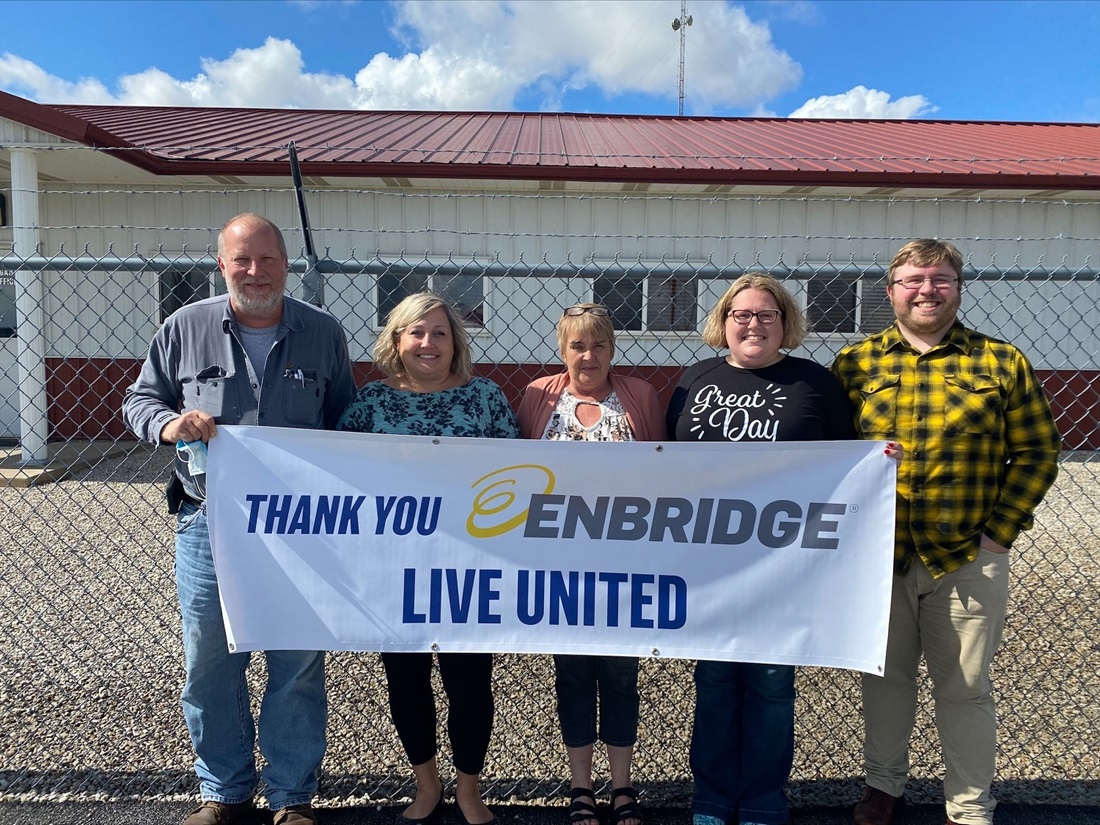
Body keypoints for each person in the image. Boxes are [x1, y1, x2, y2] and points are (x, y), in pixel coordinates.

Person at [122, 213, 355, 825]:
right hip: (208, 523)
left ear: (286, 263)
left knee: (297, 661)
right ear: (221, 264)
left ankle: (291, 795)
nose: (256, 272)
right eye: (242, 261)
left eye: (268, 260)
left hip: (301, 527)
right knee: (209, 660)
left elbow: (345, 420)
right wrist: (167, 425)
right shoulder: (184, 328)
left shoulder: (323, 333)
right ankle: (223, 792)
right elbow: (139, 400)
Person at [831, 239, 1061, 825]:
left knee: (964, 689)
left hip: (965, 556)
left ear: (958, 288)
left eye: (940, 279)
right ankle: (884, 786)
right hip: (879, 558)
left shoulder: (1001, 362)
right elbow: (826, 457)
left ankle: (968, 804)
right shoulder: (856, 365)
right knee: (884, 680)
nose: (926, 289)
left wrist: (998, 536)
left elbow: (1037, 452)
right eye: (913, 279)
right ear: (891, 292)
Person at [666, 274, 856, 825]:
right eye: (741, 315)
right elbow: (663, 463)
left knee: (772, 683)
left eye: (765, 314)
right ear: (723, 324)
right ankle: (713, 797)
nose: (753, 324)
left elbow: (848, 465)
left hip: (785, 562)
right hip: (710, 562)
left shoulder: (814, 383)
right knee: (717, 678)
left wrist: (878, 460)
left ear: (785, 323)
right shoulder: (694, 380)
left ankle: (764, 799)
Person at [336, 292, 519, 825]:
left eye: (439, 332)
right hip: (394, 570)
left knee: (469, 682)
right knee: (406, 679)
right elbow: (337, 473)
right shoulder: (370, 403)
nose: (428, 343)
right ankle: (426, 785)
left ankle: (468, 790)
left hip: (469, 567)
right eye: (416, 332)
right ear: (397, 340)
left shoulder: (484, 398)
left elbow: (516, 472)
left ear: (455, 341)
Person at [516, 303, 666, 825]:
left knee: (623, 677)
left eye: (599, 343)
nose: (589, 354)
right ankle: (581, 787)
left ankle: (622, 787)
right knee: (573, 675)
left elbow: (665, 473)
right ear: (563, 350)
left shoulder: (640, 396)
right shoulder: (539, 395)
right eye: (578, 344)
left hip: (625, 568)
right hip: (557, 571)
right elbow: (515, 473)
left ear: (613, 349)